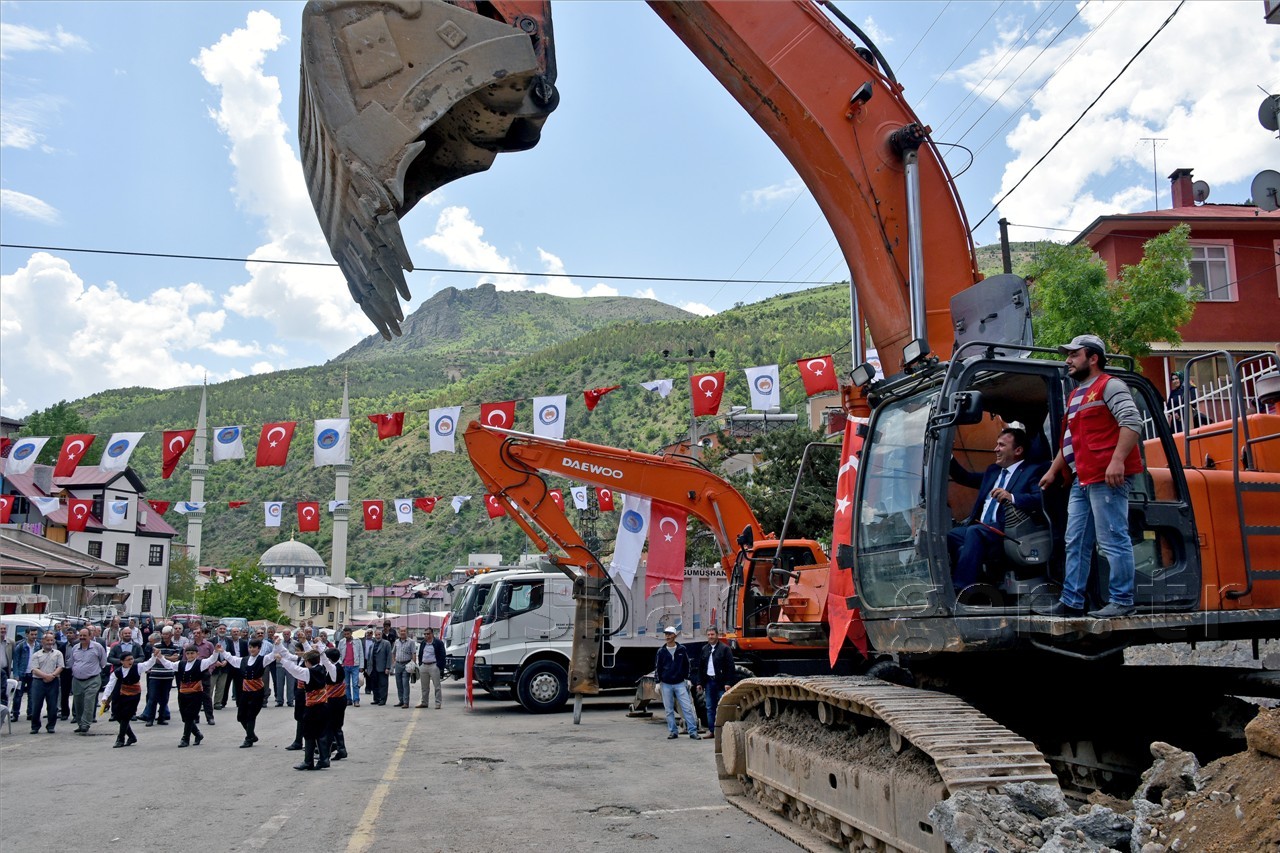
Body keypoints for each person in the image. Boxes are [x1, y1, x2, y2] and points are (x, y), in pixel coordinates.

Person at [1036, 334, 1144, 619]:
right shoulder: (1075, 395)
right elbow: (1071, 440)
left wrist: (1117, 460)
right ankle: (1072, 601)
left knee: (1112, 539)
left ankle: (1122, 601)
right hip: (1082, 478)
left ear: (1093, 358)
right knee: (1075, 541)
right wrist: (1054, 469)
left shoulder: (1110, 385)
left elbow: (1132, 422)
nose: (1068, 361)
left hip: (1105, 479)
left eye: (1074, 355)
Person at [947, 427, 1048, 590]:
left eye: (1001, 445)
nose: (996, 449)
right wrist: (948, 455)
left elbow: (1040, 499)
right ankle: (975, 583)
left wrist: (1011, 497)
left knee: (974, 532)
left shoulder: (1033, 471)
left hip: (1008, 531)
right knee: (951, 535)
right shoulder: (993, 471)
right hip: (983, 528)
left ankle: (960, 588)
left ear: (1018, 450)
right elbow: (965, 477)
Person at [274, 647, 337, 770]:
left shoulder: (308, 672)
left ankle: (308, 761)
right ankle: (324, 759)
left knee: (309, 734)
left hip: (313, 707)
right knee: (321, 733)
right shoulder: (322, 668)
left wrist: (282, 660)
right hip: (323, 705)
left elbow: (294, 670)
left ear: (308, 662)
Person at [153, 643, 219, 746]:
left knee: (190, 716)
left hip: (196, 694)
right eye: (188, 653)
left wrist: (216, 651)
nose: (190, 655)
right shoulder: (181, 664)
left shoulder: (201, 663)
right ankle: (197, 734)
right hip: (183, 694)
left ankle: (185, 739)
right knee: (185, 717)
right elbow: (168, 664)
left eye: (192, 653)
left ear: (197, 654)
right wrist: (160, 657)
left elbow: (212, 659)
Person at [99, 648, 160, 747]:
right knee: (118, 716)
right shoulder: (117, 672)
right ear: (122, 661)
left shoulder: (137, 667)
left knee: (126, 716)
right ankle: (131, 736)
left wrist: (154, 656)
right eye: (128, 660)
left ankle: (120, 739)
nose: (131, 661)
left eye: (132, 659)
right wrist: (105, 697)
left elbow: (148, 664)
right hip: (121, 695)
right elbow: (110, 685)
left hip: (134, 696)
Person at [217, 638, 267, 748]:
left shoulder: (262, 660)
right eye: (250, 647)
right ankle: (252, 735)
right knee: (241, 716)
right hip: (245, 692)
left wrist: (277, 645)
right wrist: (222, 651)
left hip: (257, 692)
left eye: (254, 647)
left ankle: (248, 738)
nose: (252, 649)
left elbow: (272, 656)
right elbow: (232, 659)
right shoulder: (244, 660)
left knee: (251, 715)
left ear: (259, 649)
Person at [655, 626, 700, 740]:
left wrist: (687, 679)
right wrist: (657, 682)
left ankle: (693, 731)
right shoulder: (661, 651)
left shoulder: (681, 650)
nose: (667, 636)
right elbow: (658, 667)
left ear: (675, 636)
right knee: (668, 709)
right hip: (666, 683)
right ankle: (673, 731)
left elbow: (687, 665)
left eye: (670, 634)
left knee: (687, 707)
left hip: (680, 683)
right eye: (666, 634)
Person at [693, 627, 736, 737]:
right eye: (708, 635)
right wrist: (699, 683)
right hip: (709, 682)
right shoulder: (704, 649)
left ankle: (725, 732)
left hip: (721, 683)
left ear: (717, 635)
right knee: (709, 707)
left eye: (712, 634)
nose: (710, 637)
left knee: (723, 707)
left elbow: (730, 667)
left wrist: (728, 683)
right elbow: (701, 667)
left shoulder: (725, 649)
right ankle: (712, 731)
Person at [66, 627, 108, 734]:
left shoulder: (97, 647)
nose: (82, 637)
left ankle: (85, 724)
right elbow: (71, 662)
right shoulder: (75, 648)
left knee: (89, 701)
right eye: (80, 635)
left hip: (92, 679)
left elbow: (103, 662)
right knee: (78, 703)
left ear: (90, 636)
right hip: (77, 680)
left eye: (84, 635)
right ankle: (80, 724)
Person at [140, 625, 180, 727]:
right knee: (152, 697)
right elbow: (156, 659)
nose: (164, 636)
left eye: (167, 634)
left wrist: (162, 657)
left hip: (168, 675)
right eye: (163, 634)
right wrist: (168, 658)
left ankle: (161, 718)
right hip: (155, 675)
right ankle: (150, 719)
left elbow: (176, 659)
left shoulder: (176, 646)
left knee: (164, 698)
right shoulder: (156, 645)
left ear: (171, 635)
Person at [27, 632, 64, 734]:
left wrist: (52, 676)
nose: (50, 642)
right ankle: (35, 726)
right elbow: (34, 669)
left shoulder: (58, 654)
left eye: (52, 640)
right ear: (42, 641)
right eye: (47, 640)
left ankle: (51, 726)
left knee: (52, 705)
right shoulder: (36, 655)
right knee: (36, 705)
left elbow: (60, 667)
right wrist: (45, 676)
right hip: (38, 682)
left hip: (53, 681)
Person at [322, 647, 349, 761]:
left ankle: (326, 753)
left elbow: (325, 661)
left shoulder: (334, 668)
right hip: (340, 699)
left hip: (334, 700)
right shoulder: (338, 666)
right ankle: (341, 749)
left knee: (330, 726)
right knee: (336, 726)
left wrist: (321, 652)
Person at [10, 627, 36, 722]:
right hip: (21, 674)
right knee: (18, 695)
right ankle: (15, 713)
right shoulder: (20, 646)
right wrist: (16, 674)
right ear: (27, 635)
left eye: (35, 634)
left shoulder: (38, 646)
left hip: (33, 673)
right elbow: (15, 661)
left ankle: (30, 713)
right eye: (32, 634)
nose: (34, 636)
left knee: (32, 694)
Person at [191, 627, 216, 725]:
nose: (196, 635)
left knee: (206, 696)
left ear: (202, 634)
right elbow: (184, 660)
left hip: (205, 672)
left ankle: (210, 717)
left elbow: (214, 658)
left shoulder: (209, 645)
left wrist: (210, 670)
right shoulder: (190, 646)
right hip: (194, 673)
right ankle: (195, 717)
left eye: (198, 633)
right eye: (194, 633)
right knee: (194, 696)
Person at [416, 627, 445, 709]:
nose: (426, 635)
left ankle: (438, 703)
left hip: (434, 666)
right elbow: (420, 654)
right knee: (424, 687)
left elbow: (442, 655)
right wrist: (420, 664)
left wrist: (439, 666)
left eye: (428, 634)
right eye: (425, 634)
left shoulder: (438, 643)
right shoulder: (423, 643)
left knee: (437, 686)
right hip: (424, 666)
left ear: (432, 634)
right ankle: (424, 702)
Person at [335, 626, 364, 707]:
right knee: (346, 684)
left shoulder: (357, 641)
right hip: (345, 666)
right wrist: (340, 663)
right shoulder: (341, 642)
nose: (346, 636)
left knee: (355, 684)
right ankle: (348, 699)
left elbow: (361, 653)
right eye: (345, 634)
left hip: (355, 665)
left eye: (348, 634)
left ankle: (356, 700)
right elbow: (339, 653)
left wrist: (361, 666)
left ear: (351, 633)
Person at [367, 630, 391, 706]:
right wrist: (368, 669)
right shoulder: (372, 645)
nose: (378, 636)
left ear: (381, 635)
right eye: (376, 635)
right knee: (374, 684)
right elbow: (369, 658)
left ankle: (383, 700)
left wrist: (388, 667)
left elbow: (389, 656)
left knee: (383, 685)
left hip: (382, 668)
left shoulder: (386, 643)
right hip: (373, 668)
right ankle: (376, 699)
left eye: (379, 634)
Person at [392, 630, 416, 707]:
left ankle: (406, 702)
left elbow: (414, 653)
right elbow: (393, 652)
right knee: (399, 684)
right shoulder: (396, 642)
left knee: (405, 683)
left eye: (404, 631)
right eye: (401, 631)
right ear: (399, 633)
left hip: (407, 664)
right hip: (398, 664)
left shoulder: (411, 642)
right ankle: (401, 701)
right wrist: (394, 662)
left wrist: (413, 664)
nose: (402, 633)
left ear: (406, 632)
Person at [274, 628, 295, 707]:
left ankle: (290, 701)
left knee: (291, 684)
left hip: (290, 666)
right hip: (280, 665)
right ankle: (279, 701)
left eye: (287, 634)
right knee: (279, 684)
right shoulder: (278, 643)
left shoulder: (295, 643)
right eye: (284, 634)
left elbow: (296, 654)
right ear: (282, 635)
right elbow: (275, 652)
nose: (286, 635)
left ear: (290, 634)